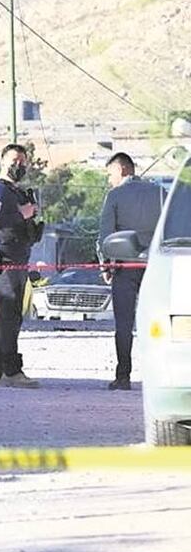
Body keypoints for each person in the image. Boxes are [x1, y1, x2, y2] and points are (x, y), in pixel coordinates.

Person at [0, 144, 44, 389]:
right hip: (2, 263)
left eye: (23, 161)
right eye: (15, 160)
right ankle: (11, 371)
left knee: (3, 318)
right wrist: (22, 214)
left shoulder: (13, 192)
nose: (20, 165)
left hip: (14, 261)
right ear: (3, 161)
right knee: (10, 318)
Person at [99, 152, 164, 391]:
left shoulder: (115, 196)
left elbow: (105, 234)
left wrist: (106, 264)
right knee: (158, 322)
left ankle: (123, 376)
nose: (109, 180)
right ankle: (159, 376)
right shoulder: (159, 192)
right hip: (156, 267)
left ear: (123, 170)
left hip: (125, 267)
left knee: (124, 324)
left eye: (110, 174)